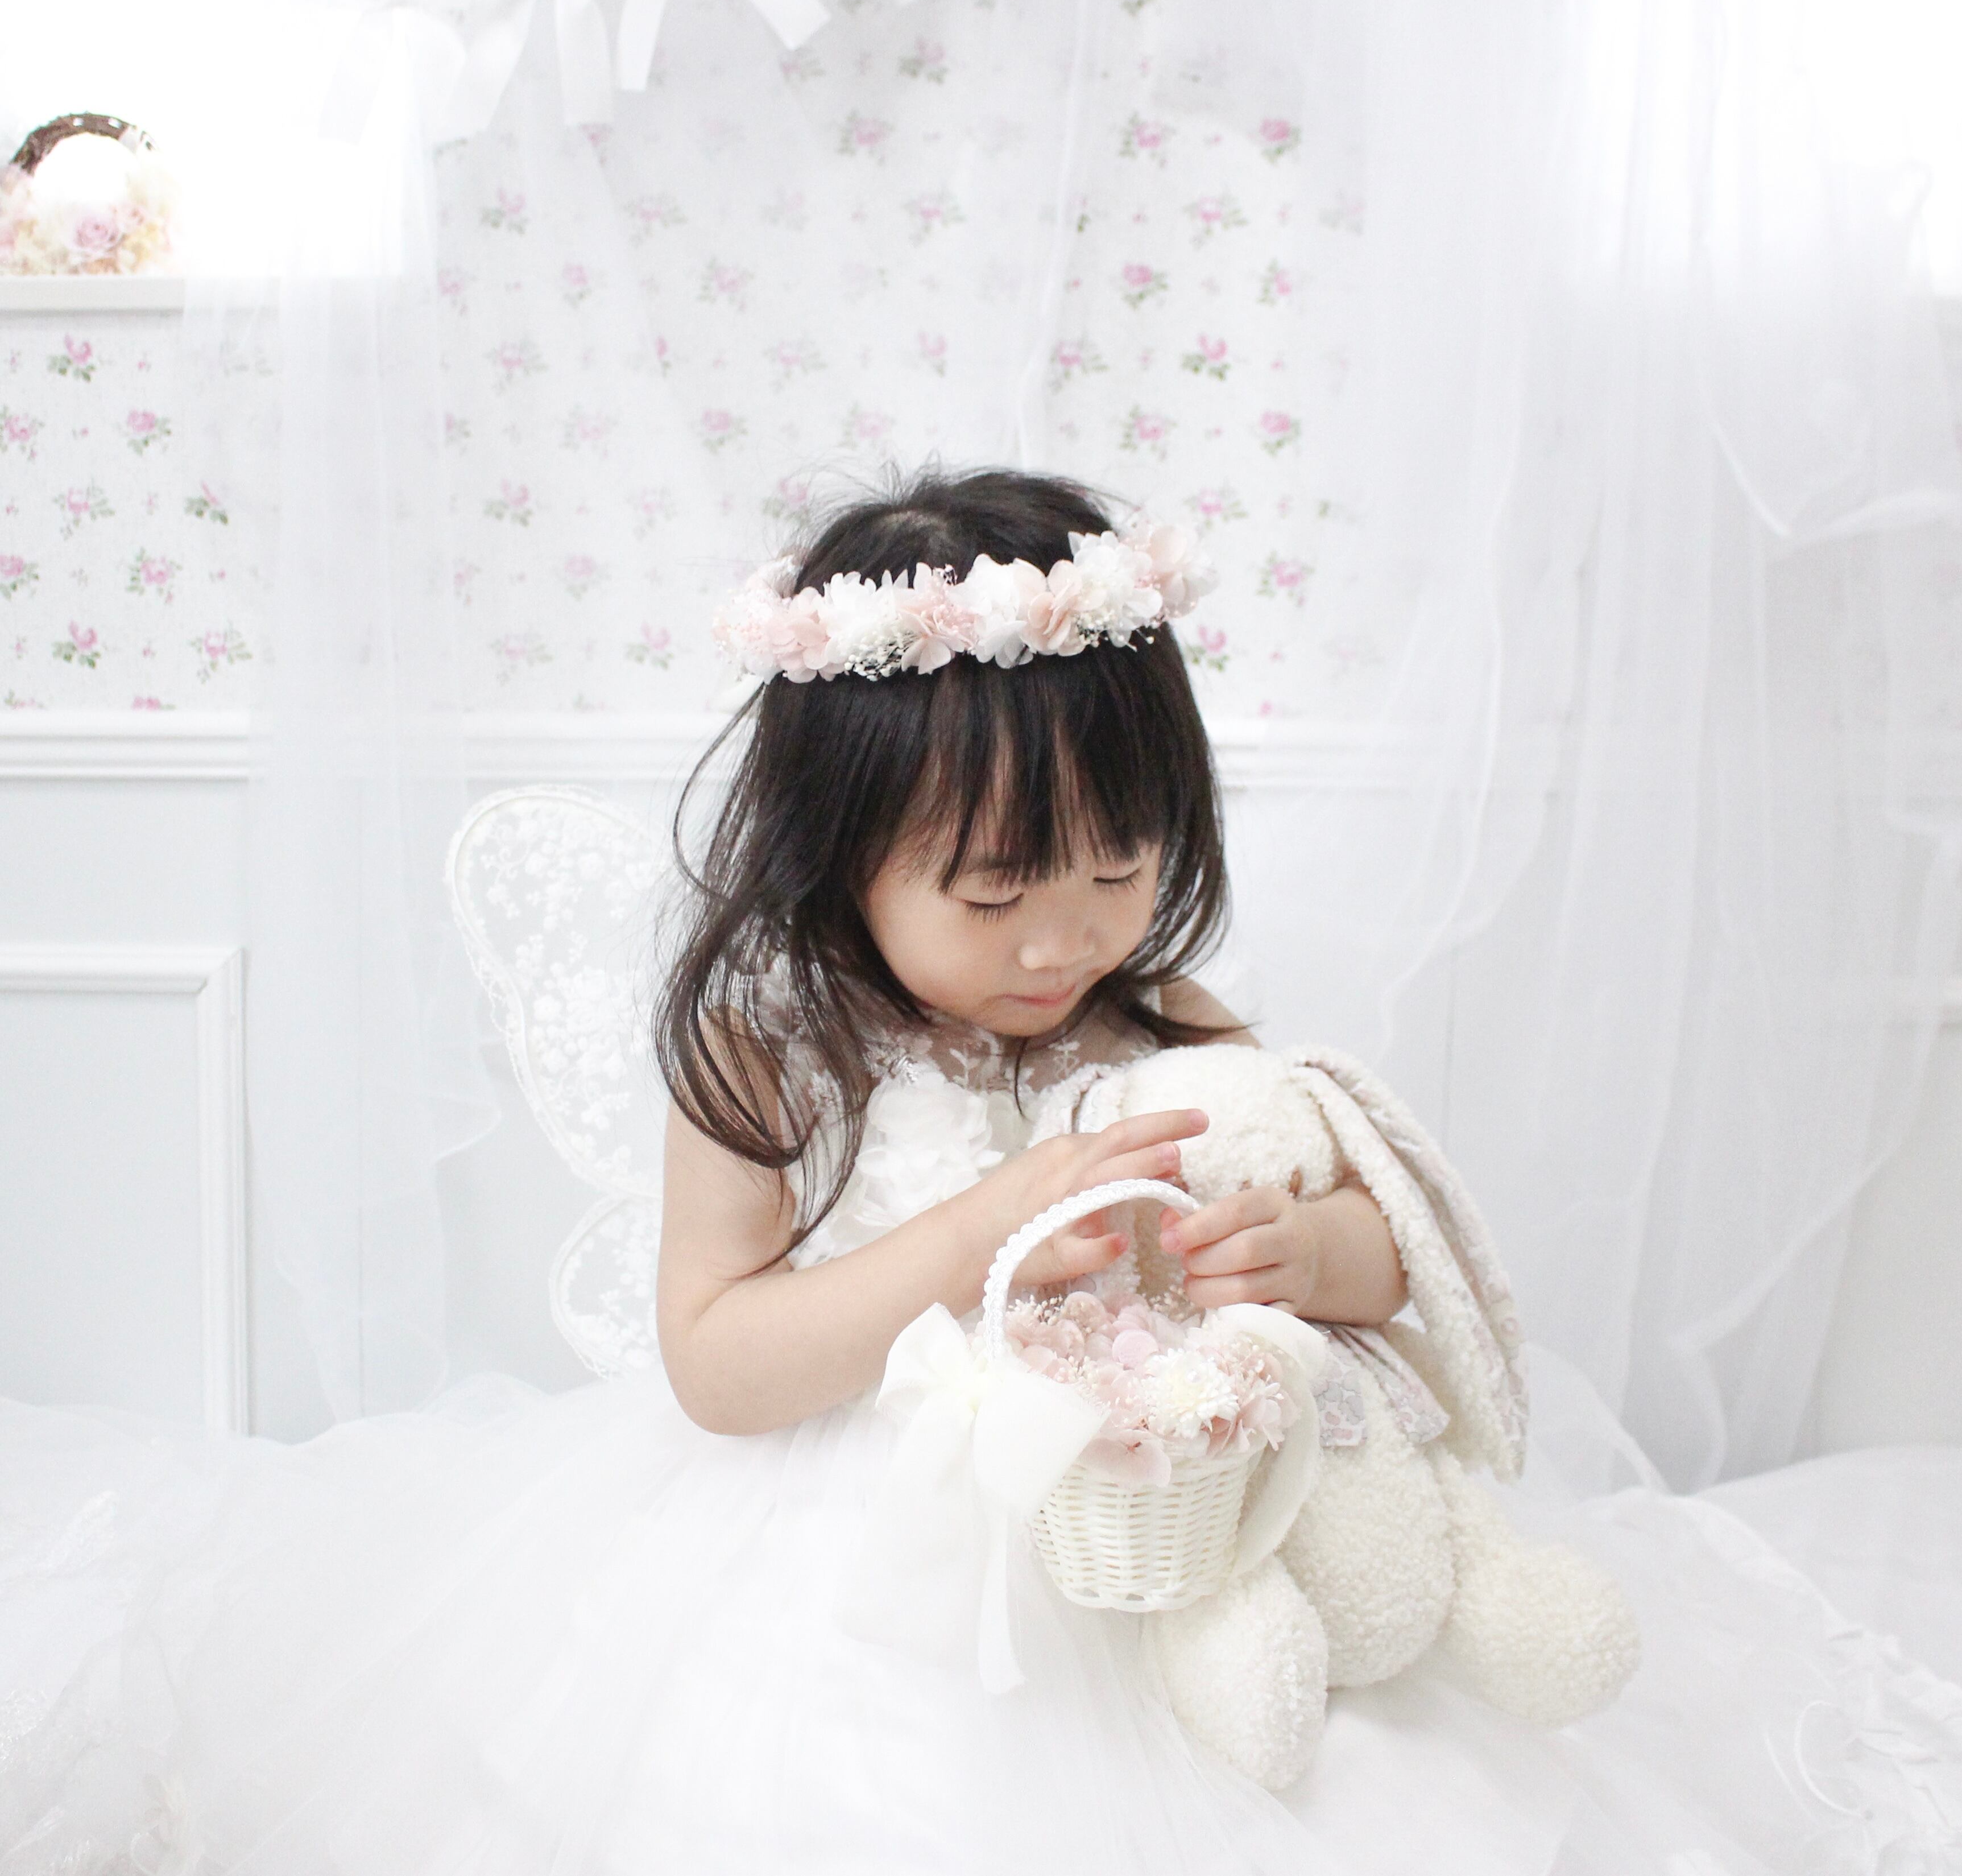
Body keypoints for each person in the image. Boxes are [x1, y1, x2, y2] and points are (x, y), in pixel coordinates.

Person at [0, 465, 1952, 1875]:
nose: (1064, 937)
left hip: (1189, 1505)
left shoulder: (1155, 1006)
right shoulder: (772, 1041)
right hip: (865, 1536)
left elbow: (1385, 1250)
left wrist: (1306, 1250)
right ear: (838, 855)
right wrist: (971, 1233)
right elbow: (720, 1363)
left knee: (1371, 1768)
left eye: (1118, 865)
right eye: (996, 890)